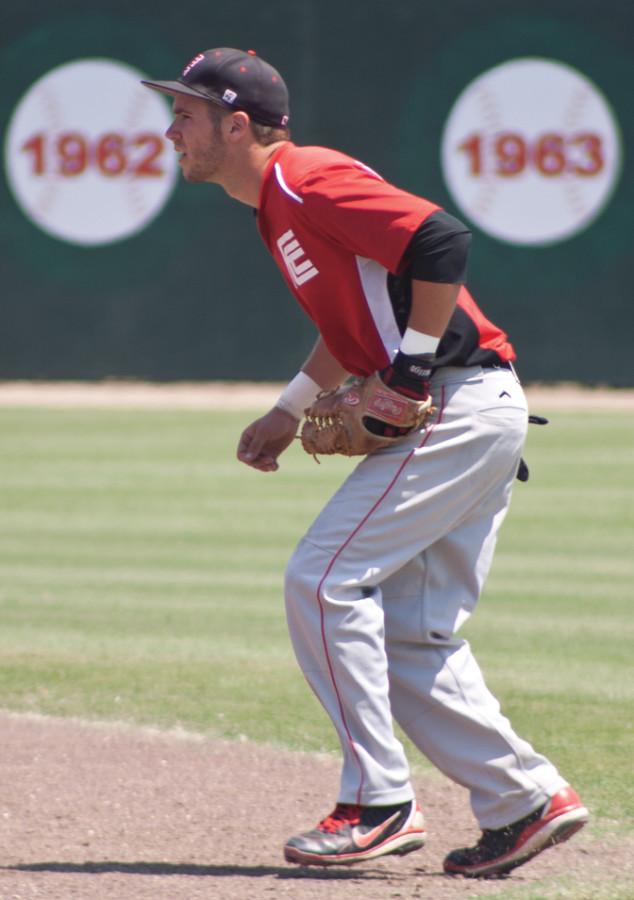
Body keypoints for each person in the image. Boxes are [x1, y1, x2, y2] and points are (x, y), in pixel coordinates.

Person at [142, 47, 589, 878]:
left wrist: (412, 370)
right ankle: (525, 800)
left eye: (187, 114)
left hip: (452, 403)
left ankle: (378, 802)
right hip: (473, 409)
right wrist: (285, 411)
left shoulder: (306, 177)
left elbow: (441, 242)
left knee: (322, 581)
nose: (172, 129)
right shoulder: (275, 208)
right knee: (411, 636)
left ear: (236, 125)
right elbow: (351, 323)